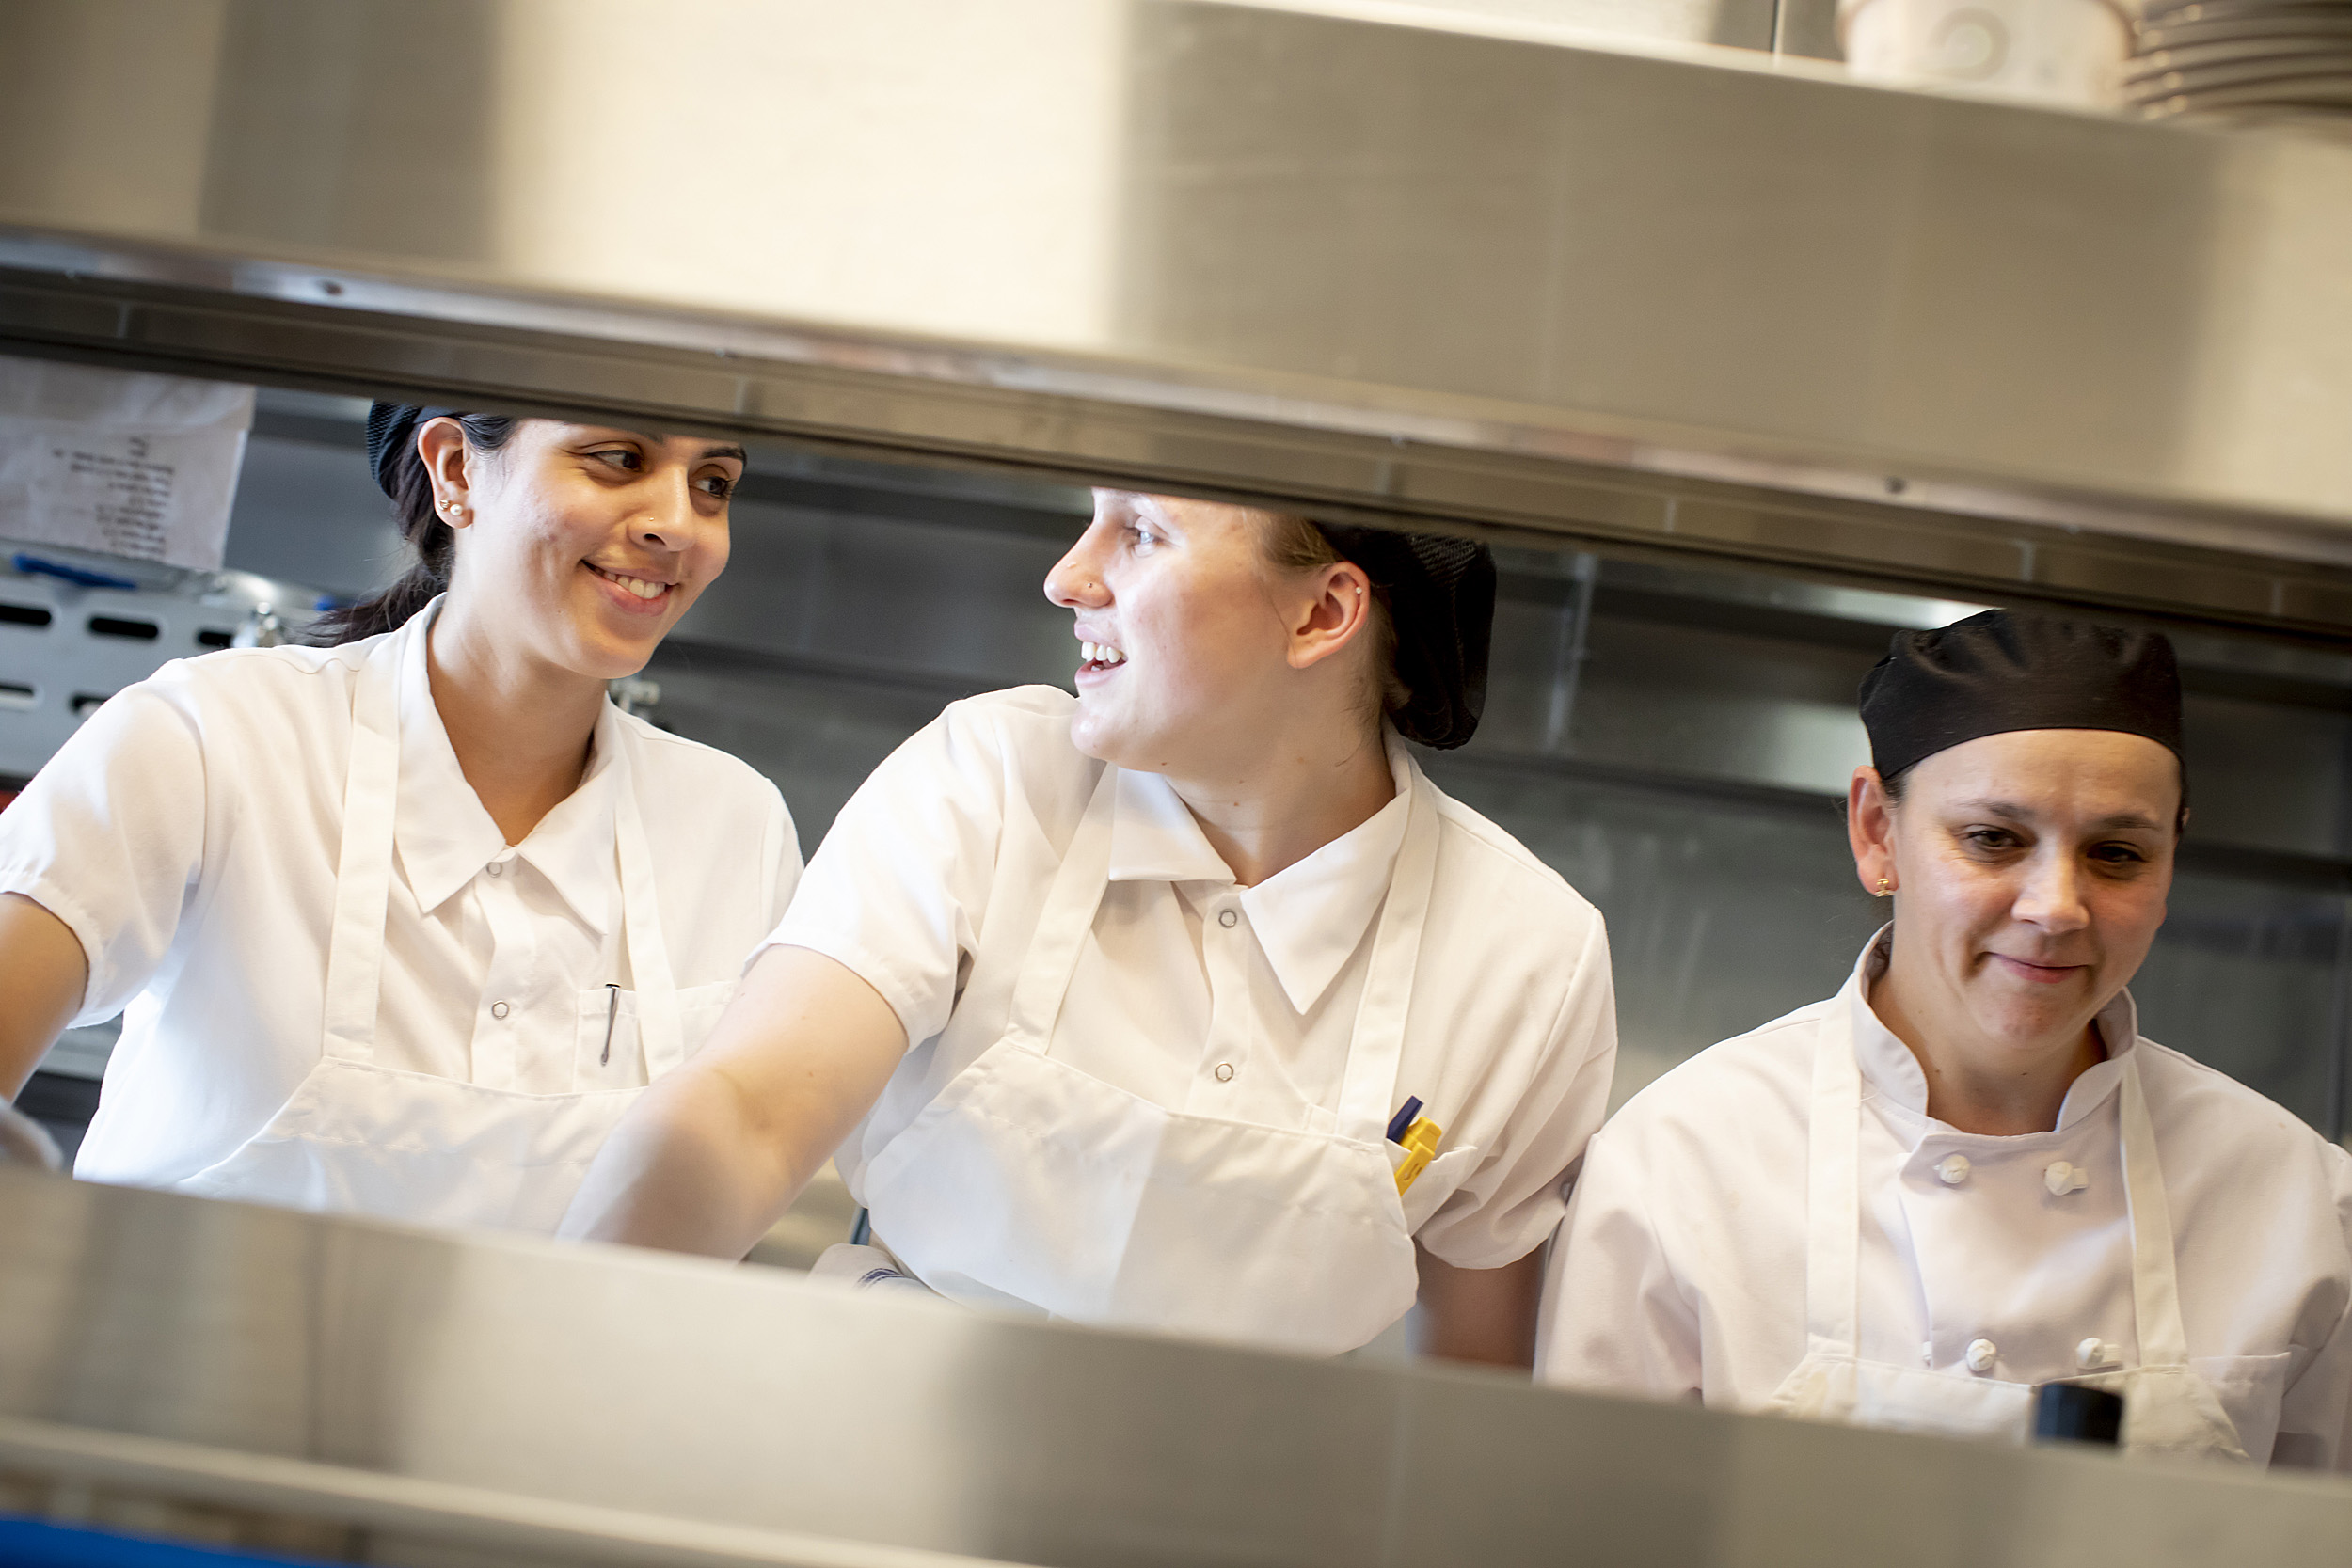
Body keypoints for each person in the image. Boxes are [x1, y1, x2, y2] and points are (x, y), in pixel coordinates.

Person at [560, 490, 1617, 1361]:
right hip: (879, 1456)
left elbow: (1471, 1382)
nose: (1069, 575)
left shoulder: (1528, 955)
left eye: (1141, 533)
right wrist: (548, 1360)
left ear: (1321, 615)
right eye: (1089, 520)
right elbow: (746, 1109)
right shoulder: (990, 777)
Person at [1538, 610, 2352, 1464]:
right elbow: (1586, 1528)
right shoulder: (1682, 1160)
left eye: (2116, 853)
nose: (2055, 908)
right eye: (1993, 839)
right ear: (1877, 831)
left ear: (2172, 856)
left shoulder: (2296, 1199)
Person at [0, 404, 801, 1233]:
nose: (680, 524)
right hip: (174, 1355)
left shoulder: (738, 826)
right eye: (616, 458)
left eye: (714, 484)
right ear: (456, 471)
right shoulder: (214, 735)